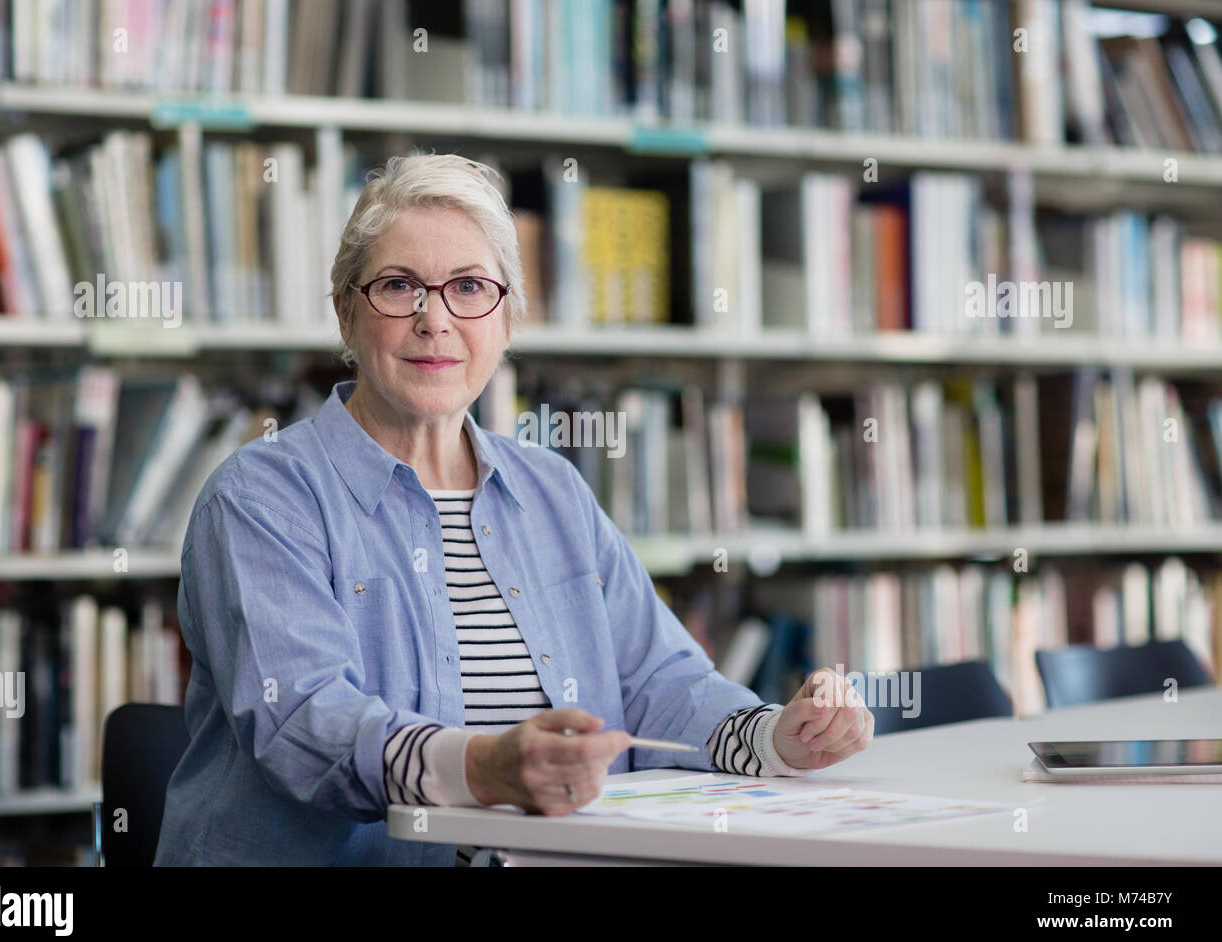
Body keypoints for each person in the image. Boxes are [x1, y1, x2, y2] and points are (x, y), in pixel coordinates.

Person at [154, 152, 873, 866]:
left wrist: (779, 738)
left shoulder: (552, 490)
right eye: (399, 286)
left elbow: (662, 683)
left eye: (469, 286)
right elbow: (303, 719)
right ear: (347, 313)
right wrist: (484, 769)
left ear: (507, 321)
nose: (434, 319)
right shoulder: (259, 498)